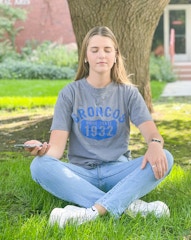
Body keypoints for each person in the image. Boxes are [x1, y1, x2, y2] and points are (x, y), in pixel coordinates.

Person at [24, 26, 174, 228]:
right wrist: (42, 151)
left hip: (118, 171)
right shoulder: (69, 93)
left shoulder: (128, 93)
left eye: (107, 49)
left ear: (115, 56)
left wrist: (155, 145)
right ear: (85, 56)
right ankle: (128, 206)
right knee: (39, 166)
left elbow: (152, 134)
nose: (101, 55)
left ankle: (92, 212)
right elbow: (56, 150)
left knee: (166, 156)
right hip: (81, 174)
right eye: (94, 50)